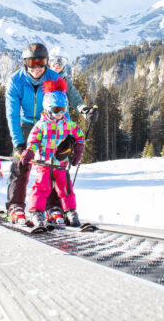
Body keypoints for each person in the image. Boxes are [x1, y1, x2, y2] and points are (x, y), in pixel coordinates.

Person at [5, 43, 97, 224]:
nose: (37, 68)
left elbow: (65, 105)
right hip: (26, 124)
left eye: (41, 62)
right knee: (20, 162)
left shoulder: (54, 78)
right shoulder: (15, 81)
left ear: (47, 62)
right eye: (32, 63)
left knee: (58, 164)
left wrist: (68, 137)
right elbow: (12, 114)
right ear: (25, 63)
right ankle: (15, 206)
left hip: (52, 124)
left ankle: (53, 206)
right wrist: (19, 143)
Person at [20, 78, 85, 228]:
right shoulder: (41, 125)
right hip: (45, 163)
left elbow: (79, 135)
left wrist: (78, 150)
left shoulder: (68, 124)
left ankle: (70, 211)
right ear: (48, 109)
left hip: (61, 164)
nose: (60, 113)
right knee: (42, 187)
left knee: (66, 187)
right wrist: (29, 152)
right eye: (56, 110)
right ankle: (36, 212)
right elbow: (33, 140)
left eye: (63, 109)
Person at [45, 52, 98, 224]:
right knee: (48, 169)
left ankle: (63, 206)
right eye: (55, 62)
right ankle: (51, 207)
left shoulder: (66, 81)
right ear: (50, 63)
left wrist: (85, 111)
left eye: (61, 63)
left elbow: (76, 100)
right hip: (47, 128)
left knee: (61, 168)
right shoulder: (44, 79)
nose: (58, 65)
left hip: (64, 129)